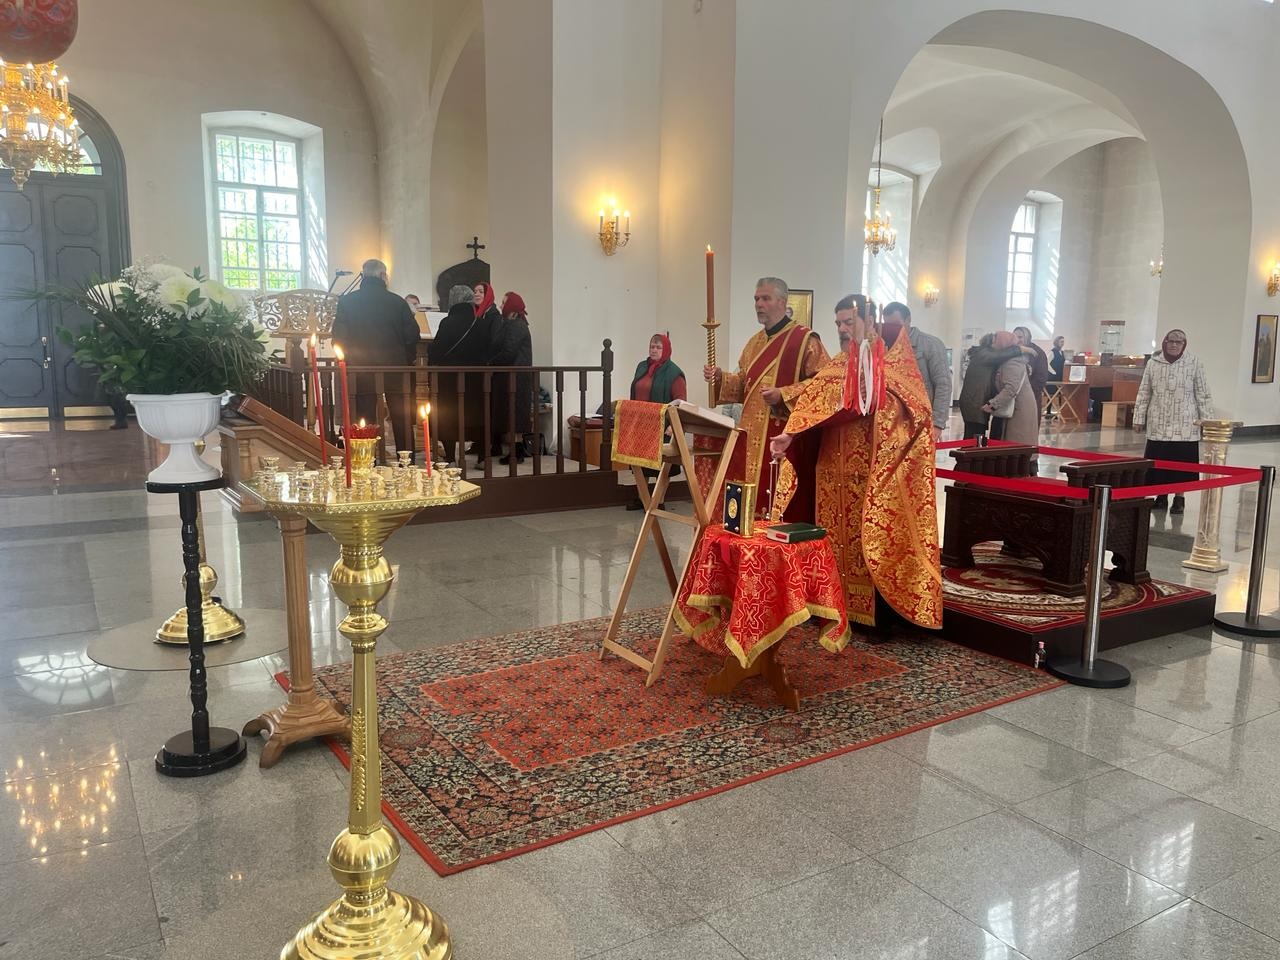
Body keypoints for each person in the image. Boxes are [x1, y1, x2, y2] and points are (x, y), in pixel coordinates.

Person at [769, 293, 942, 634]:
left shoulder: (893, 361)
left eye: (848, 322)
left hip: (874, 473)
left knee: (869, 538)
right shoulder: (837, 363)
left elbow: (916, 409)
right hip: (830, 471)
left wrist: (878, 400)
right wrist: (791, 434)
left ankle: (874, 616)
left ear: (870, 321)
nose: (842, 329)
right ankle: (832, 603)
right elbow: (814, 401)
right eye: (838, 323)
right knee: (831, 537)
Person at [701, 277, 828, 520]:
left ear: (782, 301)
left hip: (783, 436)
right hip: (751, 437)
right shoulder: (754, 343)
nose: (759, 304)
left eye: (765, 298)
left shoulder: (805, 340)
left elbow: (824, 386)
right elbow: (743, 384)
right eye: (756, 299)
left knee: (777, 505)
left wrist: (784, 394)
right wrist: (721, 378)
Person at [330, 258, 420, 455]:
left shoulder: (347, 301)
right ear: (383, 275)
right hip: (395, 367)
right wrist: (405, 358)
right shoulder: (397, 302)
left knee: (365, 417)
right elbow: (412, 335)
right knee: (401, 416)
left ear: (363, 275)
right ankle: (406, 462)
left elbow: (339, 336)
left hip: (361, 368)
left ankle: (367, 460)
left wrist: (350, 359)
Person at [1134, 329, 1213, 514]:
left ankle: (1179, 498)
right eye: (1171, 341)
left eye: (1179, 342)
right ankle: (1161, 496)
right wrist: (1138, 418)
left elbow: (1203, 393)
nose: (1174, 345)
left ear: (1184, 344)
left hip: (1185, 424)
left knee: (1181, 466)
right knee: (1158, 464)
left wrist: (1207, 422)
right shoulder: (1153, 363)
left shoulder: (1194, 362)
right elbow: (1144, 392)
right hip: (1159, 423)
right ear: (1165, 342)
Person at [625, 332, 687, 509]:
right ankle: (642, 499)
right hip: (640, 425)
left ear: (666, 349)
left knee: (662, 466)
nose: (654, 350)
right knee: (640, 463)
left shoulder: (674, 373)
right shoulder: (642, 367)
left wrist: (674, 426)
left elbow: (681, 401)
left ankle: (658, 502)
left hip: (663, 426)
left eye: (658, 347)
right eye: (652, 346)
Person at [428, 284, 489, 463]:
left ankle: (450, 457)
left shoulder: (447, 323)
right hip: (476, 380)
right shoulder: (481, 323)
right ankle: (482, 458)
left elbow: (437, 351)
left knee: (448, 416)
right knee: (478, 416)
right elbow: (488, 349)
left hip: (449, 380)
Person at [882, 302, 951, 442]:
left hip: (922, 418)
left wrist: (937, 423)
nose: (892, 330)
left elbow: (943, 384)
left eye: (896, 325)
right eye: (888, 326)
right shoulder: (885, 345)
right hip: (894, 420)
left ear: (908, 320)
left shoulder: (930, 344)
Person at [491, 291, 534, 465]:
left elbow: (509, 351)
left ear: (511, 306)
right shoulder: (511, 324)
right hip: (512, 376)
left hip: (516, 378)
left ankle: (516, 451)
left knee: (514, 414)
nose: (501, 306)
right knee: (511, 413)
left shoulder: (516, 326)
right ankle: (515, 450)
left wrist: (491, 362)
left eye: (504, 303)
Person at [957, 334, 1025, 439]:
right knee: (974, 437)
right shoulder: (985, 354)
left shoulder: (982, 353)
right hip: (975, 402)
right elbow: (1001, 355)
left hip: (975, 401)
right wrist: (1020, 349)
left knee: (974, 435)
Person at [983, 330, 1038, 446]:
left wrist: (992, 405)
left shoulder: (1012, 362)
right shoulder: (1010, 360)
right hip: (1016, 407)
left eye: (995, 342)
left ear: (1002, 344)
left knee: (1016, 445)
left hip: (1018, 411)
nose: (993, 346)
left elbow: (1011, 388)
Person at [1012, 326, 1050, 422]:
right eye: (1015, 337)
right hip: (1012, 397)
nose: (1017, 340)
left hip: (1030, 397)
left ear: (1027, 337)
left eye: (1020, 337)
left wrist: (1027, 394)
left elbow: (1041, 378)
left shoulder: (1038, 353)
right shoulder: (1011, 351)